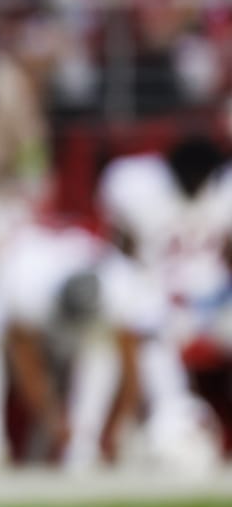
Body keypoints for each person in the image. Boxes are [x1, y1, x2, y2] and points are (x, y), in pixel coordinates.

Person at [0, 221, 162, 475]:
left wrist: (118, 428)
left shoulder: (121, 287)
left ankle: (84, 445)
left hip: (90, 325)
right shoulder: (28, 283)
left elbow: (131, 363)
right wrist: (54, 423)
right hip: (9, 317)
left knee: (102, 347)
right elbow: (26, 360)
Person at [96, 136, 232, 470]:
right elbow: (119, 249)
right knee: (152, 340)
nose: (195, 183)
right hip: (162, 304)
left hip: (215, 302)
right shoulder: (135, 184)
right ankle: (174, 431)